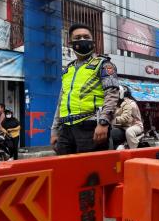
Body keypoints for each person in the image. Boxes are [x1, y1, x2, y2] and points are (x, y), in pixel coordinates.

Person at [50, 23, 119, 155]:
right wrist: (54, 131)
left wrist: (104, 122)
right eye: (77, 37)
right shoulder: (67, 70)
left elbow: (112, 94)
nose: (82, 40)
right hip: (65, 129)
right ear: (70, 43)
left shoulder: (104, 64)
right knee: (65, 171)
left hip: (91, 127)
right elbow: (61, 101)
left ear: (93, 41)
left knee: (91, 172)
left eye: (86, 36)